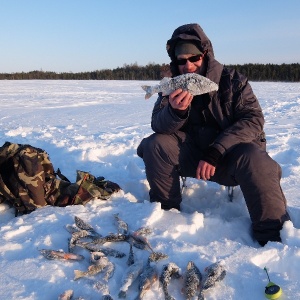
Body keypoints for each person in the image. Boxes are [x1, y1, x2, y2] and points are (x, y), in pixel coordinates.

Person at [137, 23, 290, 246]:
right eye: (181, 60)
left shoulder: (234, 81)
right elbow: (158, 125)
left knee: (256, 158)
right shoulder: (171, 86)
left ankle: (273, 236)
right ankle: (166, 216)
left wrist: (216, 150)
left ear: (205, 54)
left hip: (229, 159)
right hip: (191, 156)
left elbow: (253, 120)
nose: (188, 66)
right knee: (155, 144)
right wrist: (174, 112)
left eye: (194, 58)